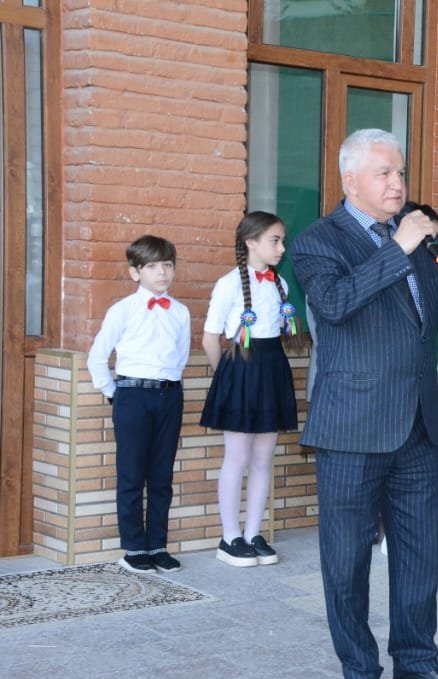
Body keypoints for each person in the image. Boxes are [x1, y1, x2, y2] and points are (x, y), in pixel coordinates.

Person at [291, 128, 438, 679]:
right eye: (385, 173)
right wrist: (398, 247)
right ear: (351, 181)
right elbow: (335, 305)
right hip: (352, 427)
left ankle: (416, 664)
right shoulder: (319, 242)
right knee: (347, 560)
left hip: (417, 423)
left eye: (401, 173)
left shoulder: (418, 236)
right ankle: (360, 675)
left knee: (420, 553)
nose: (398, 184)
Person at [200, 211, 299, 567]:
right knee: (238, 457)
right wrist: (227, 378)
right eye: (275, 240)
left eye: (282, 240)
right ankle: (229, 537)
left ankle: (253, 533)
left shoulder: (279, 283)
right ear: (251, 243)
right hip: (241, 369)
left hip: (272, 368)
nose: (281, 248)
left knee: (262, 458)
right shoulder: (228, 284)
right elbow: (210, 338)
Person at [87, 235, 191, 573]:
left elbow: (181, 356)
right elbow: (97, 357)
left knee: (161, 474)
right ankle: (134, 548)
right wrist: (115, 393)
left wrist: (169, 387)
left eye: (167, 265)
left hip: (169, 395)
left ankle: (157, 545)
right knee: (132, 474)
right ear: (135, 272)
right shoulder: (123, 310)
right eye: (152, 266)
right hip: (132, 395)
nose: (162, 272)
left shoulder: (180, 312)